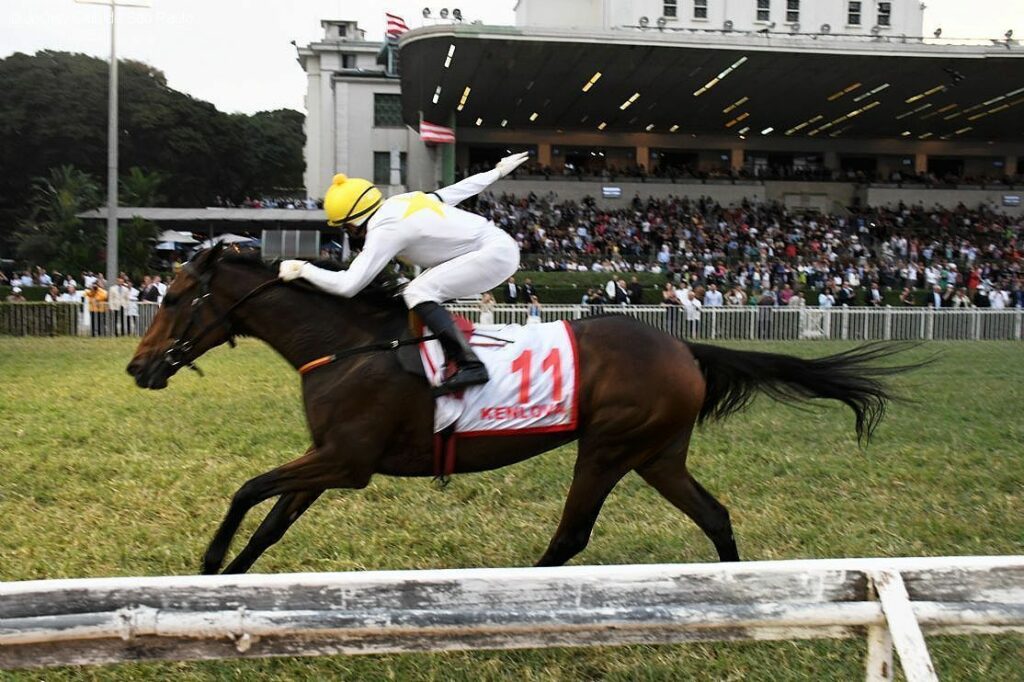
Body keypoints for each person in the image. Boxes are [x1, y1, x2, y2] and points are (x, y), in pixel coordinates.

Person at [279, 152, 528, 395]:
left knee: (417, 291)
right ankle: (435, 353)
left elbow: (348, 286)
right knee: (412, 290)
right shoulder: (401, 201)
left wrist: (304, 269)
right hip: (495, 246)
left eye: (347, 228)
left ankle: (470, 364)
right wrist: (496, 172)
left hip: (494, 255)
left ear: (353, 223)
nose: (350, 233)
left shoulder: (384, 229)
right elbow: (456, 191)